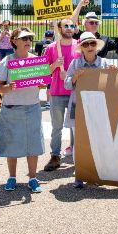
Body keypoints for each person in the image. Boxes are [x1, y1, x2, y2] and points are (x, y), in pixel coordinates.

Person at [0, 28, 45, 193]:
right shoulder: (6, 62)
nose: (27, 41)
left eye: (29, 38)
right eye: (23, 38)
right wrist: (8, 87)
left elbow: (42, 85)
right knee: (12, 145)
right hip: (12, 108)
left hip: (32, 107)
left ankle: (32, 178)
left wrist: (41, 83)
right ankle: (12, 177)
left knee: (33, 144)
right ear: (14, 41)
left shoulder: (36, 60)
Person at [64, 31, 117, 188]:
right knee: (79, 143)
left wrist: (114, 73)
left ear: (96, 46)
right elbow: (67, 84)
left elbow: (114, 86)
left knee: (98, 140)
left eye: (92, 43)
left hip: (99, 108)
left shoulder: (105, 64)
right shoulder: (75, 64)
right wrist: (75, 77)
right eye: (85, 44)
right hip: (78, 106)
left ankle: (94, 173)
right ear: (81, 47)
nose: (89, 47)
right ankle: (79, 175)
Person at [42, 17, 80, 172]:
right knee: (56, 127)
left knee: (76, 127)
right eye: (66, 26)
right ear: (59, 28)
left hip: (74, 92)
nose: (69, 28)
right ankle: (55, 156)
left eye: (72, 26)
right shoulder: (51, 48)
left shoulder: (79, 46)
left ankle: (78, 155)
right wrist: (55, 65)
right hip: (57, 92)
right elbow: (44, 73)